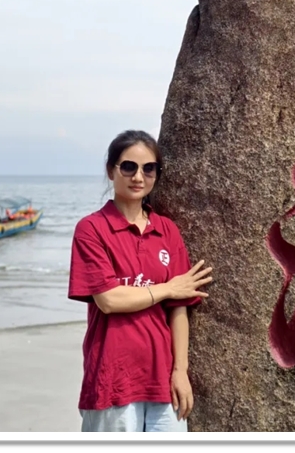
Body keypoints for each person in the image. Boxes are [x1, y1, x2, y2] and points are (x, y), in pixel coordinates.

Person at [68, 130, 213, 432]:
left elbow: (179, 308)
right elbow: (109, 299)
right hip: (111, 379)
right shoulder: (91, 229)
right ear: (111, 171)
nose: (138, 177)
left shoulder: (167, 230)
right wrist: (168, 288)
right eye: (128, 167)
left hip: (163, 381)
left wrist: (181, 371)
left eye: (149, 169)